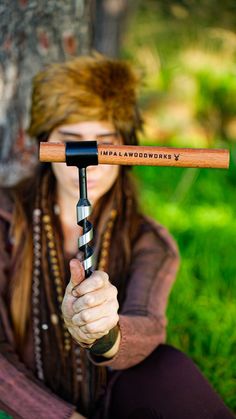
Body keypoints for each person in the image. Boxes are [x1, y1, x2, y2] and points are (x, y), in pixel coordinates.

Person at [0, 55, 234, 419]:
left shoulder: (148, 240)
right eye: (71, 140)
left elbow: (148, 324)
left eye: (105, 143)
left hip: (118, 400)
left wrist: (105, 332)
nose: (89, 160)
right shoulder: (5, 221)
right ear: (46, 142)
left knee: (167, 367)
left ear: (125, 147)